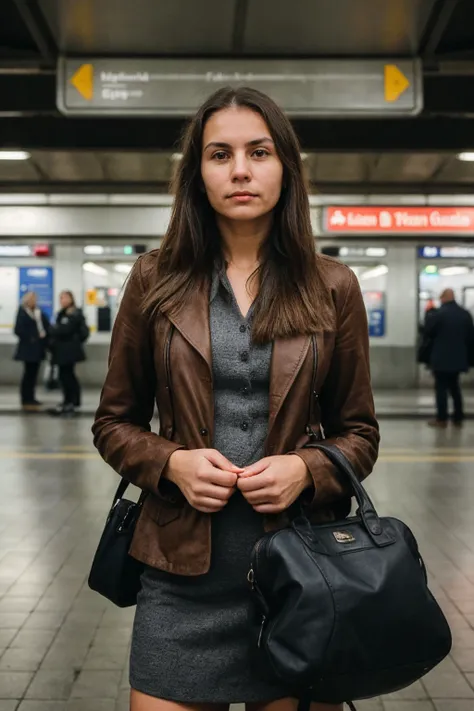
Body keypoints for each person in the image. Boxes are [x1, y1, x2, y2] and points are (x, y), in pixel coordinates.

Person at [92, 87, 380, 711]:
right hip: (178, 576)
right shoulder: (153, 279)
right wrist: (170, 463)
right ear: (197, 173)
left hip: (302, 579)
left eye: (260, 151)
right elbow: (113, 422)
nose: (241, 169)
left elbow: (360, 433)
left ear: (286, 168)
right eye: (220, 154)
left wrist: (307, 469)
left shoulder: (333, 286)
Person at [426, 288, 474, 428]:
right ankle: (458, 417)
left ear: (443, 298)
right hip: (459, 359)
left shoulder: (438, 314)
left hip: (441, 358)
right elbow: (471, 337)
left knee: (441, 389)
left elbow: (428, 332)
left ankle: (442, 419)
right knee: (455, 388)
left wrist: (429, 313)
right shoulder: (465, 314)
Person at [48, 290, 89, 417]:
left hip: (69, 351)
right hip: (60, 351)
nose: (63, 300)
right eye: (61, 298)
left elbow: (66, 330)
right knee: (63, 376)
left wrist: (57, 330)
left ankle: (73, 401)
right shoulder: (60, 314)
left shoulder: (75, 314)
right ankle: (66, 401)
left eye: (65, 298)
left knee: (68, 376)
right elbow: (56, 330)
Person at [13, 291, 50, 411]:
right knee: (28, 374)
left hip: (38, 349)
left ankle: (32, 397)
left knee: (33, 374)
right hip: (28, 349)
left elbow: (47, 326)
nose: (33, 301)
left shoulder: (39, 313)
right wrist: (32, 337)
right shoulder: (22, 313)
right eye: (31, 299)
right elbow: (18, 330)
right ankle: (26, 398)